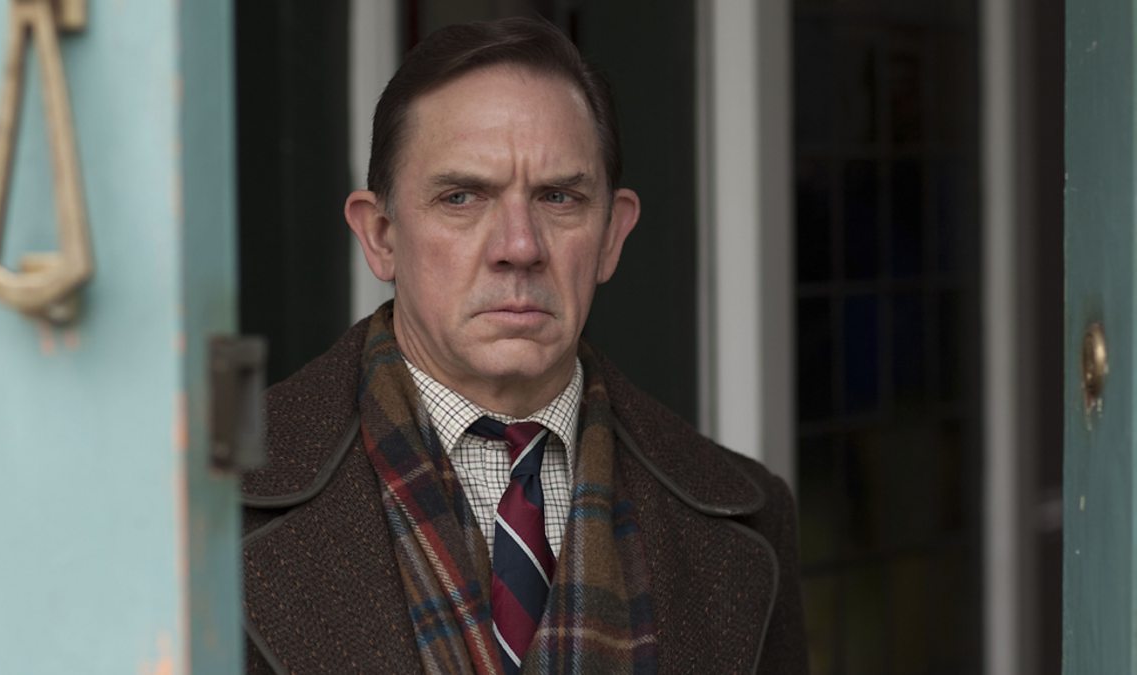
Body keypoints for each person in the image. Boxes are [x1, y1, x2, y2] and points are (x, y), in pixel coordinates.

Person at [241, 16, 806, 674]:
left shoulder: (751, 519)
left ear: (612, 235)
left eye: (559, 197)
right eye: (462, 197)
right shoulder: (205, 504)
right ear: (381, 235)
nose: (519, 246)